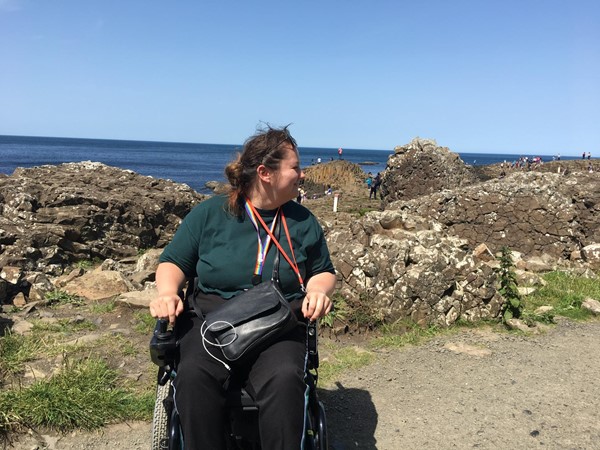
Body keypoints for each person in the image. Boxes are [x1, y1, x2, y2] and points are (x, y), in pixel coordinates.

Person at [149, 126, 336, 450]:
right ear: (265, 173)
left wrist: (318, 291)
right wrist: (167, 293)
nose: (302, 175)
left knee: (283, 377)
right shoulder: (210, 214)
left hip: (276, 323)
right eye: (295, 167)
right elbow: (173, 263)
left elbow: (323, 271)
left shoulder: (302, 221)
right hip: (212, 321)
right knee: (193, 375)